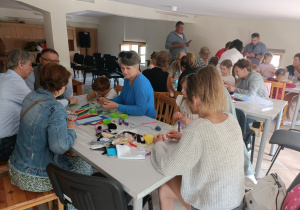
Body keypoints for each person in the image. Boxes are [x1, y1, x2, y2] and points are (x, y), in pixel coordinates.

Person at [151, 66, 244, 210]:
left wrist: (159, 144)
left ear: (194, 100)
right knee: (166, 189)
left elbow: (167, 167)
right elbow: (213, 143)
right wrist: (183, 137)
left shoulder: (197, 128)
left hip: (212, 204)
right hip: (235, 200)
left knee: (165, 183)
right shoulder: (230, 119)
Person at [8, 63, 92, 192]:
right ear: (62, 86)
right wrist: (71, 129)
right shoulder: (55, 108)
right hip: (33, 177)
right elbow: (60, 147)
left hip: (15, 167)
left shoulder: (31, 96)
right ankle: (71, 204)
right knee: (85, 168)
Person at [100, 51, 156, 119]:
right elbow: (122, 98)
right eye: (122, 68)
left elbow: (141, 110)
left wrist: (117, 106)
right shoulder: (128, 78)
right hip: (132, 116)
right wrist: (109, 101)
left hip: (145, 119)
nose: (124, 71)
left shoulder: (140, 83)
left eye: (128, 68)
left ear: (137, 67)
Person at [0, 49, 34, 161]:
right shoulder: (14, 83)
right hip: (5, 143)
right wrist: (67, 101)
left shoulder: (3, 77)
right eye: (30, 65)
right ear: (20, 64)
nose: (32, 68)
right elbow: (38, 104)